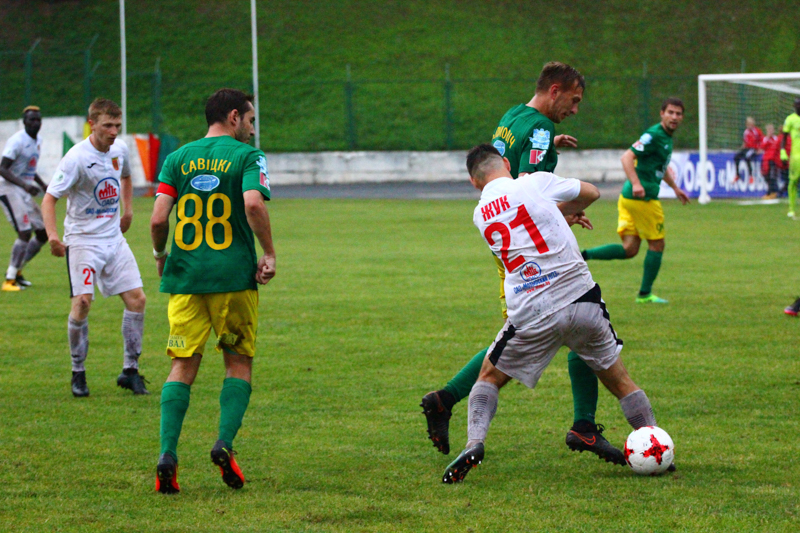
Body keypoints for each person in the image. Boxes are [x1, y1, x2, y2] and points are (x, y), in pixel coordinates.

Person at [422, 62, 628, 467]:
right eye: (573, 100)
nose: (574, 110)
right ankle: (447, 399)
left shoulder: (514, 116)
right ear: (555, 91)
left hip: (508, 238)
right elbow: (532, 188)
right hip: (529, 248)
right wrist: (564, 212)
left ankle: (582, 424)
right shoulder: (541, 129)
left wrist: (549, 145)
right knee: (542, 330)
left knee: (546, 330)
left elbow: (505, 166)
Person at [443, 144, 670, 483]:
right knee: (621, 381)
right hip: (581, 299)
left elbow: (522, 231)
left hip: (532, 311)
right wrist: (562, 210)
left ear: (474, 182)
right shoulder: (533, 182)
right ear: (506, 163)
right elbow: (591, 192)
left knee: (488, 377)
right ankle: (656, 445)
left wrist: (552, 213)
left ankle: (474, 443)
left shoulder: (480, 214)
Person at [151, 88, 276, 494]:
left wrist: (160, 255)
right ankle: (223, 443)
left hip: (185, 280)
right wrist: (269, 252)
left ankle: (167, 454)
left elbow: (158, 219)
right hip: (232, 279)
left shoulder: (177, 158)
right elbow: (253, 204)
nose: (253, 130)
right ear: (234, 116)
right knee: (237, 362)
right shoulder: (247, 157)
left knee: (182, 365)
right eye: (251, 120)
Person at [42, 98, 148, 398]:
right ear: (92, 124)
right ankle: (78, 372)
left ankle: (130, 371)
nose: (114, 132)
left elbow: (126, 177)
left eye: (118, 126)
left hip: (113, 239)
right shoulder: (76, 158)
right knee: (82, 303)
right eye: (108, 126)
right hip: (82, 241)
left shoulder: (119, 150)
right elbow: (49, 198)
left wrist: (128, 211)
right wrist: (53, 236)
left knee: (138, 300)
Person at [581, 98, 690, 304]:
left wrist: (675, 188)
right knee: (657, 244)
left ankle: (582, 255)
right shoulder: (654, 135)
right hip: (642, 198)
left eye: (678, 114)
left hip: (628, 198)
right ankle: (645, 294)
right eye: (671, 112)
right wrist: (637, 183)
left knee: (629, 249)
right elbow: (627, 157)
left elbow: (661, 167)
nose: (674, 117)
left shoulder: (665, 137)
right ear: (662, 113)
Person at [0, 105, 48, 291]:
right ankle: (9, 280)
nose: (35, 123)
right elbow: (2, 168)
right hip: (8, 188)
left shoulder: (37, 141)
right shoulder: (17, 141)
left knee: (42, 233)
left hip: (23, 189)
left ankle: (18, 270)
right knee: (25, 232)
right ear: (24, 122)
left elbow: (29, 167)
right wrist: (25, 185)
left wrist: (42, 184)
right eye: (31, 120)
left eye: (38, 120)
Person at [781, 98, 800, 218]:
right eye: (797, 105)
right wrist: (783, 151)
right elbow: (784, 136)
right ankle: (791, 209)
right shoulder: (790, 119)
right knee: (793, 182)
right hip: (795, 157)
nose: (798, 107)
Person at [733, 117, 763, 183]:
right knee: (736, 157)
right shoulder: (746, 132)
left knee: (747, 156)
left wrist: (760, 149)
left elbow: (762, 140)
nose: (749, 125)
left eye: (751, 124)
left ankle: (751, 176)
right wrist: (741, 149)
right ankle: (737, 175)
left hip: (753, 148)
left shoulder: (757, 131)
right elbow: (745, 142)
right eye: (748, 124)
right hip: (746, 148)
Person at [760, 124, 781, 200]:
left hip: (774, 160)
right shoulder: (765, 139)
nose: (770, 131)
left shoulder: (776, 138)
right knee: (766, 176)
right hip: (766, 161)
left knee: (773, 176)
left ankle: (773, 192)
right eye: (769, 130)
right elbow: (762, 147)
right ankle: (771, 192)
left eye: (771, 130)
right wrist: (768, 138)